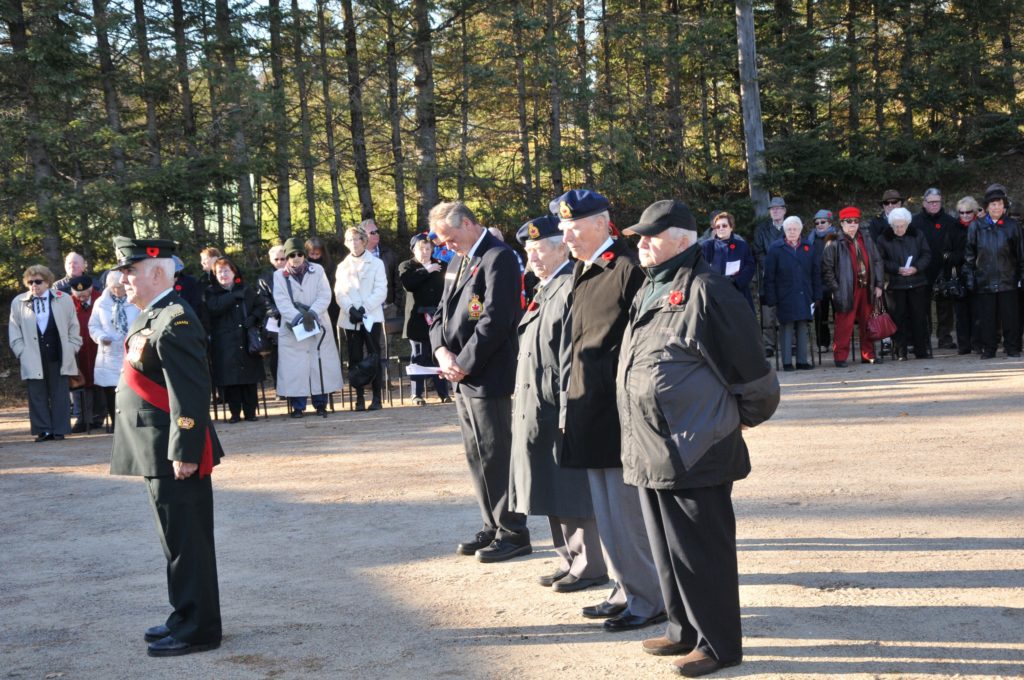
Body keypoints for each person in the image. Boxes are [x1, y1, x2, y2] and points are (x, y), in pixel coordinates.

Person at [617, 199, 780, 678]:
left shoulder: (709, 291)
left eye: (651, 235)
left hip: (695, 448)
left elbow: (756, 380)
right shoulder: (650, 288)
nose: (642, 243)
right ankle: (682, 630)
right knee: (667, 548)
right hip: (651, 445)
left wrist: (731, 421)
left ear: (684, 240)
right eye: (640, 236)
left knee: (701, 551)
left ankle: (718, 645)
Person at [555, 189, 665, 632]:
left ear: (602, 223)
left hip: (618, 413)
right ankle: (624, 589)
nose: (567, 234)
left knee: (627, 513)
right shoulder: (584, 269)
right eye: (563, 226)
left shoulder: (626, 268)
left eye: (574, 225)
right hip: (589, 411)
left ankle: (649, 597)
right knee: (606, 512)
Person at [108, 237, 224, 657]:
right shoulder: (153, 316)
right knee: (175, 540)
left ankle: (199, 629)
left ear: (156, 272)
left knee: (188, 541)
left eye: (131, 271)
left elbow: (189, 394)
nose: (125, 279)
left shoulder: (175, 319)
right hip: (155, 446)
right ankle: (184, 615)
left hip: (173, 449)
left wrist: (186, 449)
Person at [509, 214, 607, 593]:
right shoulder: (545, 286)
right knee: (548, 484)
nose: (533, 257)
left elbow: (571, 357)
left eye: (539, 249)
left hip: (557, 406)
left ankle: (589, 565)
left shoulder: (568, 286)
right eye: (529, 251)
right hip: (538, 405)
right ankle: (568, 558)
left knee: (570, 488)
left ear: (561, 248)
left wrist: (569, 409)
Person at [428, 200, 530, 563]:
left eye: (450, 237)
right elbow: (439, 313)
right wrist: (441, 352)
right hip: (460, 374)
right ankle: (492, 524)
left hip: (488, 372)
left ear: (469, 224)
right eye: (442, 240)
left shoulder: (497, 257)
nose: (447, 245)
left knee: (496, 452)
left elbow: (496, 319)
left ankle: (514, 530)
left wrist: (465, 363)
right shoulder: (458, 260)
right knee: (476, 455)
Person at [8, 264, 81, 442]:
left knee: (60, 393)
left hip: (59, 352)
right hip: (32, 354)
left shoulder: (63, 299)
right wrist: (21, 351)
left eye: (38, 281)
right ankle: (44, 430)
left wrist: (72, 347)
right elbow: (14, 330)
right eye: (30, 282)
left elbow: (73, 326)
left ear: (47, 282)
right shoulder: (19, 302)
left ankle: (59, 429)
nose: (34, 285)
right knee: (37, 394)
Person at [274, 238, 345, 417]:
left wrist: (312, 313)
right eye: (292, 255)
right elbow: (281, 301)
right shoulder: (279, 276)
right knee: (296, 368)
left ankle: (321, 403)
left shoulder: (317, 270)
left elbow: (324, 294)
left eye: (299, 254)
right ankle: (298, 406)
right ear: (287, 256)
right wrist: (299, 317)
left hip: (317, 322)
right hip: (293, 326)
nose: (296, 258)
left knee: (318, 364)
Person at [963, 185, 1023, 359]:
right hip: (985, 280)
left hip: (1008, 279)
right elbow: (969, 255)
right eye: (993, 204)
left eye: (999, 204)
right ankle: (989, 349)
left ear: (1004, 206)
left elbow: (1020, 254)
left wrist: (1021, 276)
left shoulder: (1013, 226)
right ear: (987, 207)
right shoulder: (976, 227)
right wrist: (969, 277)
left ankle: (1012, 347)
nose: (996, 207)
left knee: (1010, 317)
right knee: (987, 318)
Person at [205, 258, 267, 422]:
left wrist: (253, 318)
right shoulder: (211, 292)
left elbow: (261, 306)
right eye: (219, 272)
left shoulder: (246, 289)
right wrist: (232, 296)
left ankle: (250, 412)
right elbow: (214, 308)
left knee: (249, 378)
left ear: (234, 272)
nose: (223, 275)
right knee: (231, 380)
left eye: (227, 271)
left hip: (246, 339)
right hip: (224, 342)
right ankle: (234, 413)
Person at [821, 206, 884, 367]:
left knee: (867, 322)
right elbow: (827, 269)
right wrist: (836, 288)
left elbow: (877, 261)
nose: (852, 225)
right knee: (844, 324)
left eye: (855, 221)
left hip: (867, 287)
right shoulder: (833, 242)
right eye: (849, 221)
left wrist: (879, 284)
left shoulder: (867, 238)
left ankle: (868, 354)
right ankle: (840, 357)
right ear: (842, 223)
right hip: (846, 289)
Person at [335, 226, 388, 411]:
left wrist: (364, 308)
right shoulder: (342, 266)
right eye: (350, 240)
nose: (354, 243)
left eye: (357, 239)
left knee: (374, 356)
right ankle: (358, 398)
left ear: (364, 241)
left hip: (370, 316)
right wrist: (351, 308)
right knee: (355, 357)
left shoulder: (376, 263)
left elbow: (381, 290)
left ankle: (376, 397)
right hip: (350, 318)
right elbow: (339, 292)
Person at [398, 232, 451, 405]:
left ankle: (443, 392)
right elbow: (409, 284)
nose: (425, 252)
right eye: (421, 249)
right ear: (414, 250)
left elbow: (450, 289)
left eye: (428, 248)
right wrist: (426, 270)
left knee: (438, 354)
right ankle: (416, 393)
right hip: (417, 320)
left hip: (437, 318)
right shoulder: (406, 266)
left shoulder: (442, 265)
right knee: (419, 356)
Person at [763, 217, 818, 371]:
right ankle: (787, 362)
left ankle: (802, 361)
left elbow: (815, 272)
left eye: (795, 229)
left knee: (802, 325)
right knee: (786, 327)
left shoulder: (808, 246)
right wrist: (771, 297)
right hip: (784, 294)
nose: (792, 232)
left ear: (800, 230)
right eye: (789, 229)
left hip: (804, 292)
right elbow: (769, 276)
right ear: (784, 231)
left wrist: (817, 294)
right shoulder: (775, 248)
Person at [877, 207, 932, 360]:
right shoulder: (883, 239)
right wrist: (897, 269)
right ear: (891, 225)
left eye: (902, 225)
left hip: (917, 281)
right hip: (896, 284)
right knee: (898, 317)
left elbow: (926, 254)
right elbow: (880, 260)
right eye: (896, 226)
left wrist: (916, 268)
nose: (899, 229)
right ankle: (900, 351)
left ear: (908, 224)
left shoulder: (917, 235)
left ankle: (921, 350)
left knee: (919, 317)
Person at [89, 271, 140, 433]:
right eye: (113, 287)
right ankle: (117, 425)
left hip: (130, 351)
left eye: (120, 286)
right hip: (108, 353)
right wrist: (101, 337)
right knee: (111, 392)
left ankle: (132, 425)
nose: (117, 290)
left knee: (131, 390)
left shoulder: (136, 300)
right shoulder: (100, 303)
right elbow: (93, 326)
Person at [910, 188, 957, 349]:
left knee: (945, 306)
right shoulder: (915, 222)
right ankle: (924, 338)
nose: (934, 205)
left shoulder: (950, 221)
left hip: (943, 269)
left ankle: (945, 337)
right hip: (921, 270)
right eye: (930, 202)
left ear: (941, 201)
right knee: (922, 307)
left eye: (936, 201)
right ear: (924, 203)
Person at [68, 275, 104, 432]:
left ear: (91, 289)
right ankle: (83, 418)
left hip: (98, 348)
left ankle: (98, 417)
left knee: (100, 384)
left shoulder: (101, 300)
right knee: (79, 383)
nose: (82, 298)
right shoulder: (68, 302)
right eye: (78, 294)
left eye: (85, 294)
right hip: (78, 349)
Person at [752, 196, 787, 357]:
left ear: (784, 211)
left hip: (787, 275)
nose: (775, 211)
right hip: (768, 275)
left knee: (788, 310)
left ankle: (790, 344)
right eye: (772, 209)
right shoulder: (761, 229)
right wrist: (771, 265)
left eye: (778, 208)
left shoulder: (791, 227)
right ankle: (769, 345)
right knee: (767, 314)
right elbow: (758, 251)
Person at [701, 211, 755, 311]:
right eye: (718, 226)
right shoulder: (707, 246)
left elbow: (750, 267)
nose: (721, 228)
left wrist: (736, 282)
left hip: (738, 292)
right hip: (715, 294)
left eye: (724, 225)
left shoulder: (742, 246)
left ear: (731, 227)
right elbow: (701, 269)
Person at [945, 197, 979, 354]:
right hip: (959, 275)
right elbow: (945, 253)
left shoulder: (981, 226)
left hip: (979, 274)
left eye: (968, 212)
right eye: (961, 212)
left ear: (975, 211)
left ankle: (978, 344)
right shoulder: (952, 228)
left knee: (979, 311)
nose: (965, 215)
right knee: (961, 313)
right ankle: (964, 345)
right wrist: (961, 256)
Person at [257, 245, 287, 386]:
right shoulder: (264, 278)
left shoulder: (294, 274)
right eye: (276, 259)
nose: (280, 262)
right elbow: (263, 301)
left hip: (295, 319)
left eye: (283, 258)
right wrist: (277, 312)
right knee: (277, 355)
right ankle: (279, 386)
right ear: (270, 260)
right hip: (275, 321)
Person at [362, 218, 403, 322]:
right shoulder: (357, 256)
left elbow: (397, 281)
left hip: (387, 309)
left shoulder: (389, 254)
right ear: (363, 236)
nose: (376, 234)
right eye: (372, 232)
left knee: (387, 338)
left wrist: (395, 304)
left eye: (377, 231)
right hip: (366, 310)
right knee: (370, 338)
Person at [808, 209, 836, 349]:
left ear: (830, 222)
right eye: (817, 222)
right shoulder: (811, 239)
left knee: (839, 314)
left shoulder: (837, 237)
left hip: (835, 280)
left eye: (822, 222)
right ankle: (822, 343)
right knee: (820, 315)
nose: (819, 224)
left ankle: (839, 342)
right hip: (818, 281)